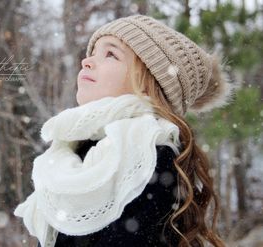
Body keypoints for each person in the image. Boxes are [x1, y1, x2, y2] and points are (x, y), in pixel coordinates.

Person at [14, 14, 236, 247]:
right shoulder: (72, 155)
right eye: (92, 53)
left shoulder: (150, 157)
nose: (86, 62)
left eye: (110, 54)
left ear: (148, 84)